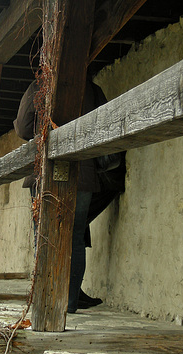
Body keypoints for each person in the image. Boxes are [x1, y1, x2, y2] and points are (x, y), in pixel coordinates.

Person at [14, 76, 111, 313]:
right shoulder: (92, 88)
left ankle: (47, 301)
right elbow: (105, 125)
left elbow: (25, 127)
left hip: (45, 172)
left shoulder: (40, 83)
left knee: (44, 235)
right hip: (83, 174)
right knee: (75, 238)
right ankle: (69, 303)